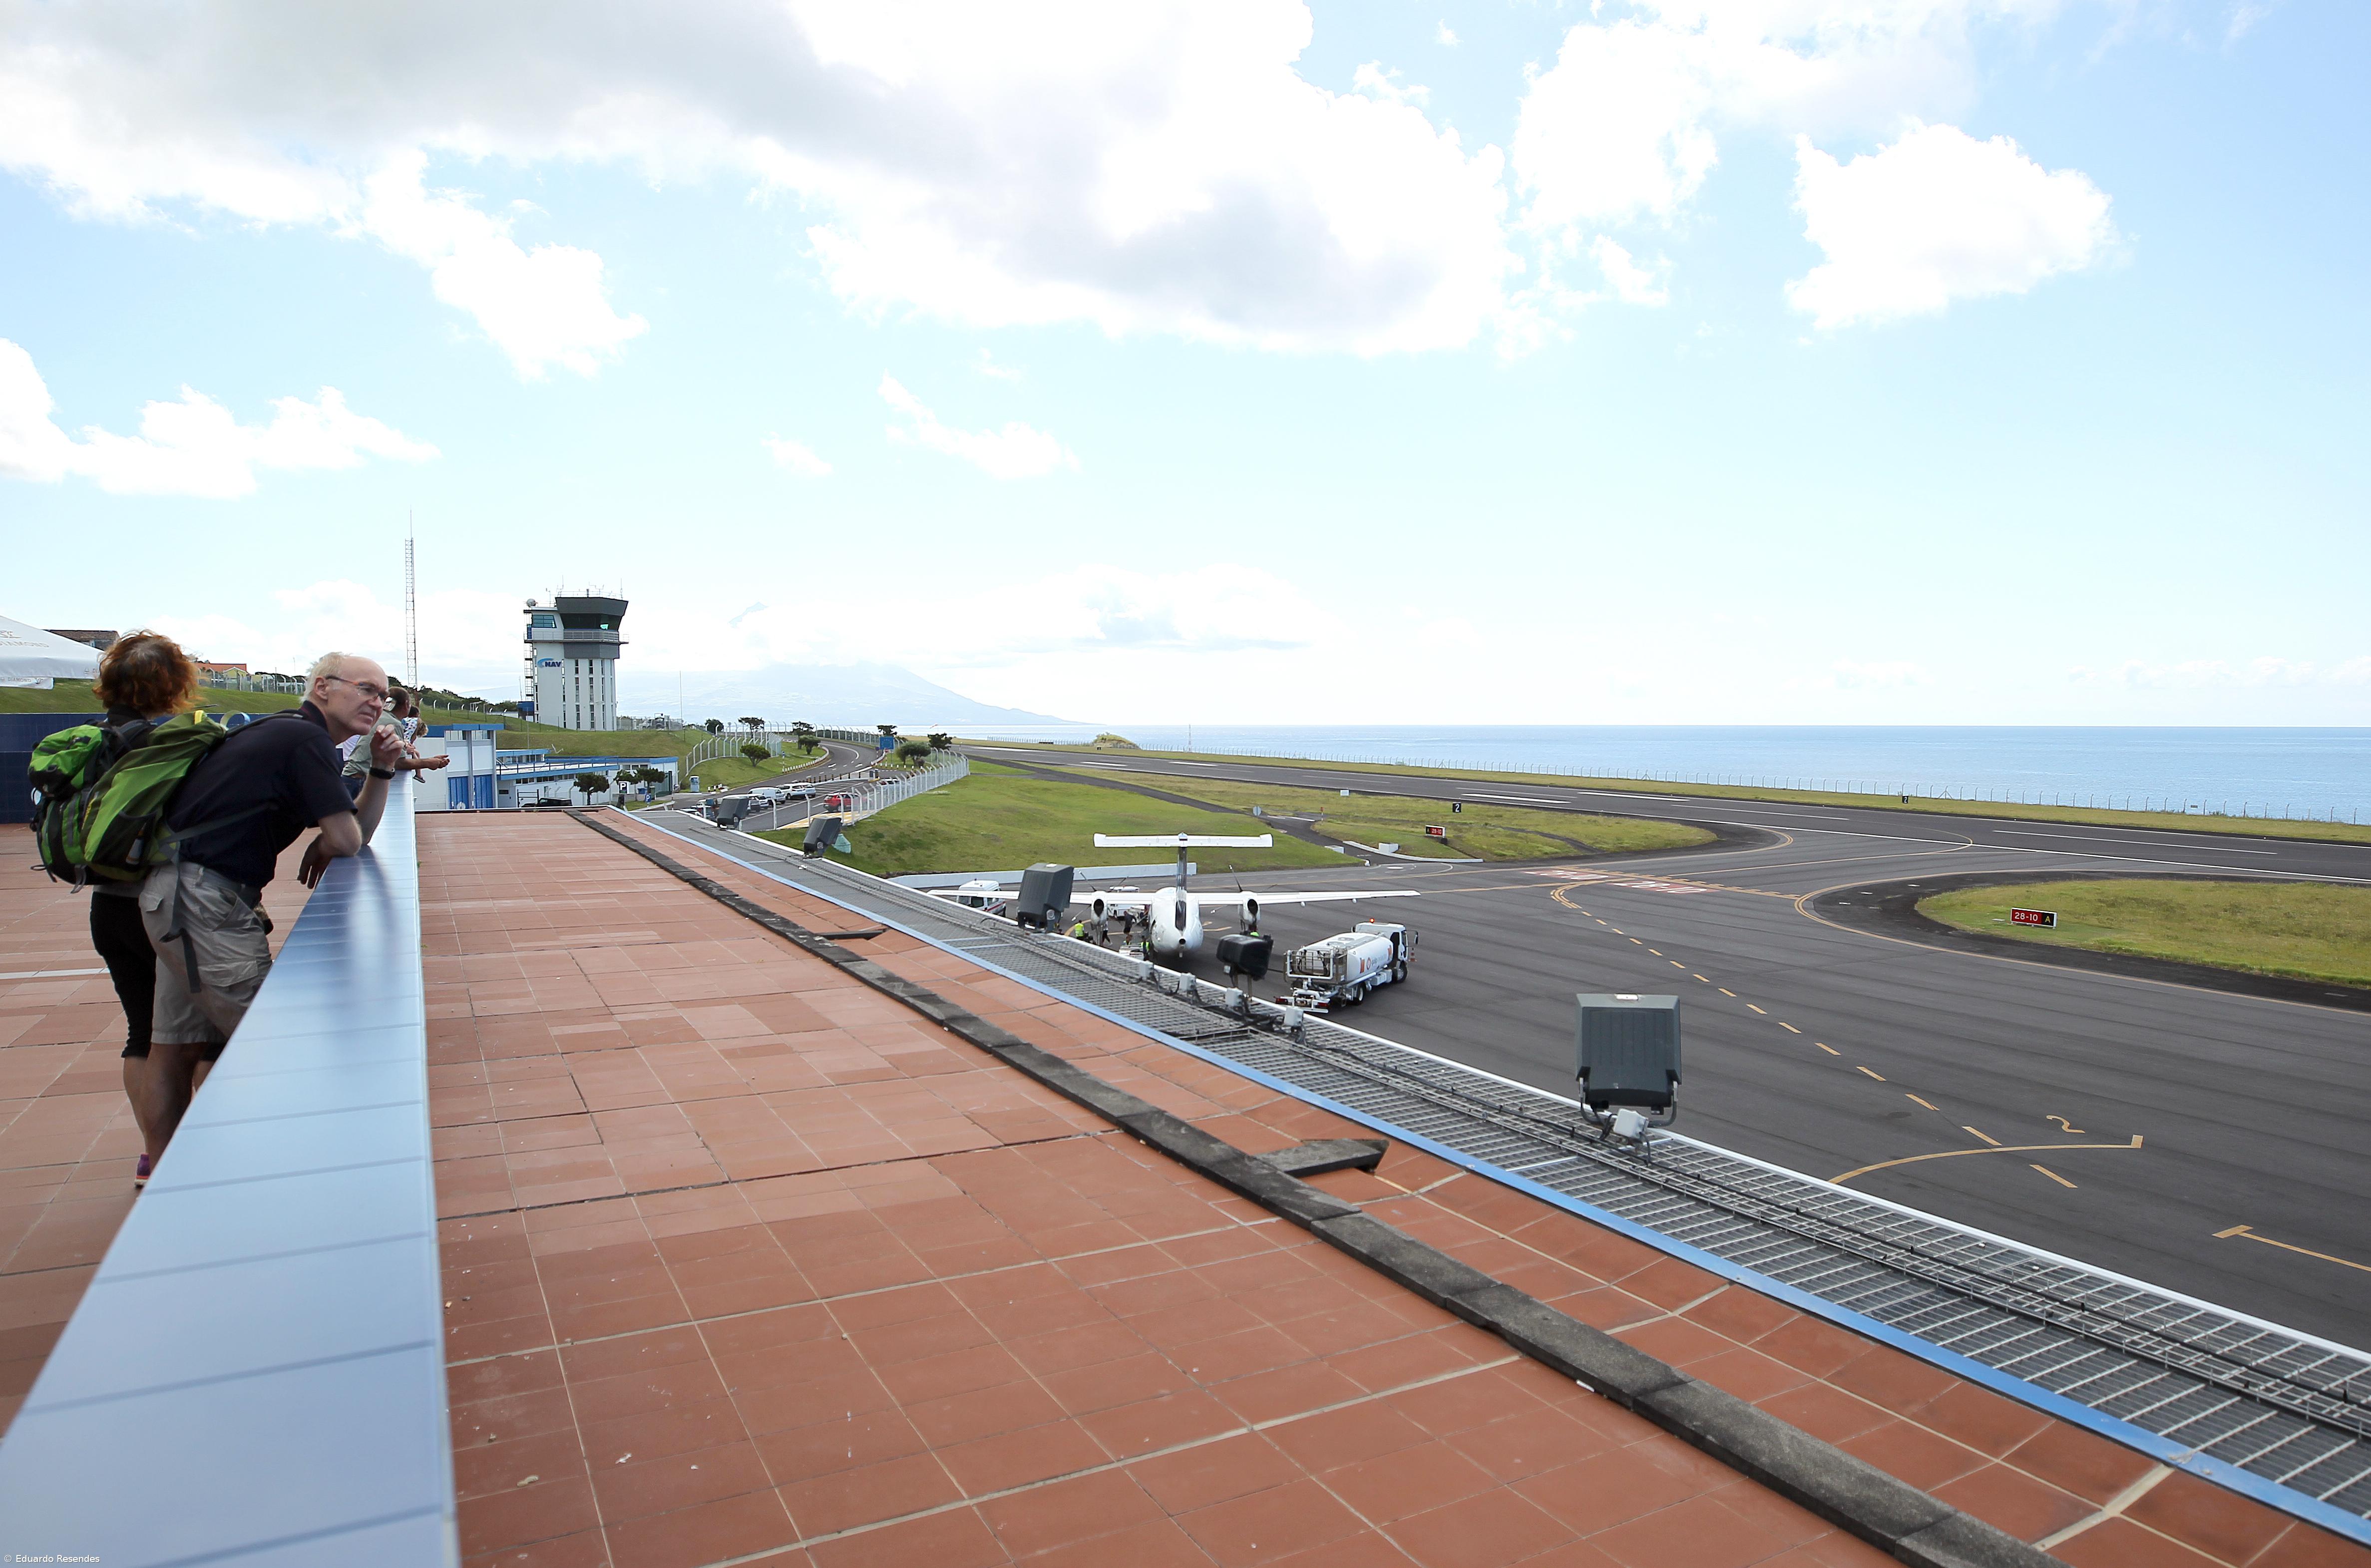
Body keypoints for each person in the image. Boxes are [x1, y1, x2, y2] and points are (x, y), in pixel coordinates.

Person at [137, 652, 405, 1160]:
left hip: (176, 896)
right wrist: (330, 839)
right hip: (201, 904)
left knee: (175, 1046)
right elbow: (349, 839)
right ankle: (287, 1166)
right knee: (272, 1038)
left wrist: (382, 769)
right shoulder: (305, 739)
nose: (378, 702)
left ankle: (163, 1167)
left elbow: (352, 834)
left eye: (384, 695)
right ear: (323, 687)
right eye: (367, 689)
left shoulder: (285, 733)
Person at [84, 632, 200, 1187]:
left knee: (140, 1032)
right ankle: (193, 1150)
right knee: (190, 1036)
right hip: (164, 904)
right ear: (177, 684)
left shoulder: (88, 740)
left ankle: (153, 1154)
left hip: (108, 904)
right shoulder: (173, 742)